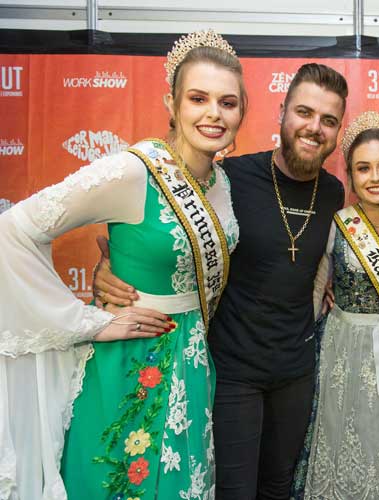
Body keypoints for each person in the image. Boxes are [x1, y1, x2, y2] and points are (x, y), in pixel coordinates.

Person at [0, 29, 245, 499]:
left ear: (241, 113)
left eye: (228, 103)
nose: (214, 113)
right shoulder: (133, 171)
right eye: (198, 98)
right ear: (171, 103)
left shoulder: (222, 183)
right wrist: (89, 321)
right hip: (129, 363)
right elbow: (14, 229)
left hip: (192, 363)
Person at [93, 63, 348, 500]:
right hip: (232, 372)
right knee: (234, 491)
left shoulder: (334, 192)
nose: (314, 127)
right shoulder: (228, 178)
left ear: (338, 131)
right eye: (304, 112)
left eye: (329, 120)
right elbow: (167, 240)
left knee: (279, 488)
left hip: (296, 371)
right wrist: (111, 268)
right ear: (282, 112)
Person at [295, 111, 379, 499]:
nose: (375, 177)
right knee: (342, 440)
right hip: (340, 352)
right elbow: (316, 290)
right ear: (351, 177)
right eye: (363, 168)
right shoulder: (338, 224)